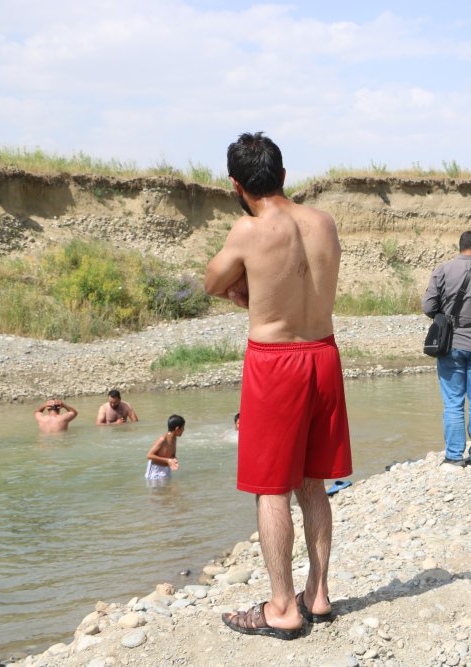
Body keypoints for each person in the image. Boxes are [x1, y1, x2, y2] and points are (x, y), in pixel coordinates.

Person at [206, 132, 352, 640]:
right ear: (284, 175)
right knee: (313, 481)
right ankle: (319, 594)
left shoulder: (247, 230)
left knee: (271, 489)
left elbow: (211, 282)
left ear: (235, 184)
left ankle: (283, 606)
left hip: (275, 361)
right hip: (324, 354)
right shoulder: (325, 223)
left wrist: (245, 297)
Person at [422, 230, 471, 467]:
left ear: (461, 247)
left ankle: (454, 456)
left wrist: (444, 318)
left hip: (450, 346)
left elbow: (428, 306)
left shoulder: (442, 270)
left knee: (453, 402)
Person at [145, 415, 184, 482]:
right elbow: (149, 455)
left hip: (166, 469)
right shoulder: (163, 439)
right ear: (177, 429)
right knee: (155, 491)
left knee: (166, 490)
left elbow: (172, 454)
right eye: (183, 427)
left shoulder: (174, 438)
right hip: (155, 470)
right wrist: (168, 461)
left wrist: (174, 460)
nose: (184, 430)